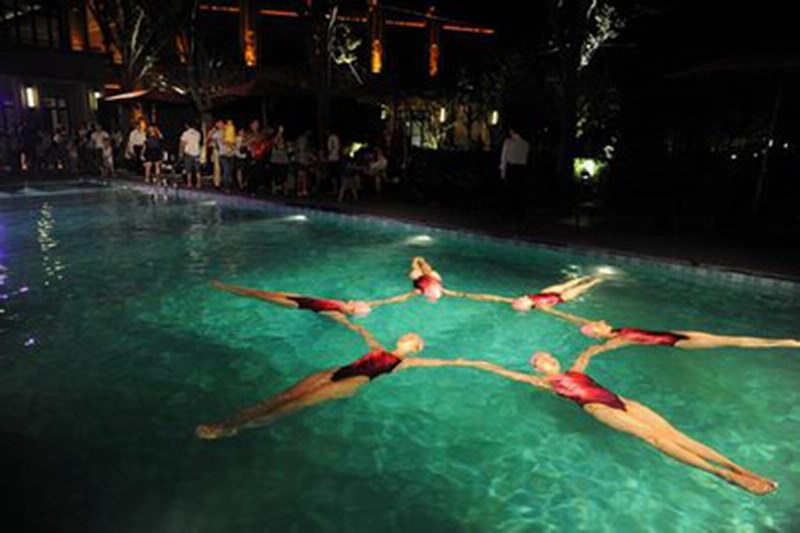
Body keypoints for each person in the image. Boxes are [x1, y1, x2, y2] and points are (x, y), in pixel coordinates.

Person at [465, 351, 777, 494]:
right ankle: (722, 474)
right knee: (655, 439)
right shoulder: (542, 382)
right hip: (599, 409)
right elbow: (495, 368)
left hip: (625, 402)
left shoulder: (575, 369)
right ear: (536, 368)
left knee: (676, 434)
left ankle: (738, 468)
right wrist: (462, 361)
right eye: (540, 359)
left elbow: (592, 350)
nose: (547, 358)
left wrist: (611, 338)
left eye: (548, 355)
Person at [195, 332, 485, 439]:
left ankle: (235, 428)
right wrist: (349, 320)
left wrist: (468, 362)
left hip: (349, 383)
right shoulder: (379, 348)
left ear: (416, 347)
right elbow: (364, 333)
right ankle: (228, 421)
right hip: (334, 372)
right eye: (407, 334)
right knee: (282, 396)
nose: (407, 336)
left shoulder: (405, 362)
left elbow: (443, 363)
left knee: (292, 406)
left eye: (413, 338)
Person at [542, 307, 800, 358]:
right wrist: (588, 353)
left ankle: (785, 342)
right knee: (731, 342)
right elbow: (597, 349)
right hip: (677, 343)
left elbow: (581, 320)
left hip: (674, 332)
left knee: (729, 339)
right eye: (598, 325)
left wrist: (554, 312)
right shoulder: (618, 339)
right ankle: (785, 343)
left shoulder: (617, 331)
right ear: (598, 333)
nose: (601, 320)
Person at [443, 275, 604, 312]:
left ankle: (584, 277)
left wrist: (462, 294)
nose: (522, 297)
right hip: (560, 298)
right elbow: (555, 312)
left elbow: (491, 297)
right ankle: (595, 281)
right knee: (580, 289)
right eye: (522, 300)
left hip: (545, 292)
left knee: (567, 284)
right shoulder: (541, 307)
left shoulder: (529, 300)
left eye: (521, 299)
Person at [499, 127, 530, 220]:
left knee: (509, 192)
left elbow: (504, 157)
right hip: (521, 168)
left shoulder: (508, 142)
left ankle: (507, 213)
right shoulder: (525, 143)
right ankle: (519, 213)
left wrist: (503, 170)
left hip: (511, 168)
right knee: (519, 192)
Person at [180, 122, 203, 189]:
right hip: (196, 153)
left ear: (187, 126)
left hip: (188, 153)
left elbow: (182, 143)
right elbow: (199, 142)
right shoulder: (198, 133)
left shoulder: (186, 133)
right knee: (197, 170)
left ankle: (189, 183)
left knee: (188, 169)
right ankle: (199, 184)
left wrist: (181, 152)